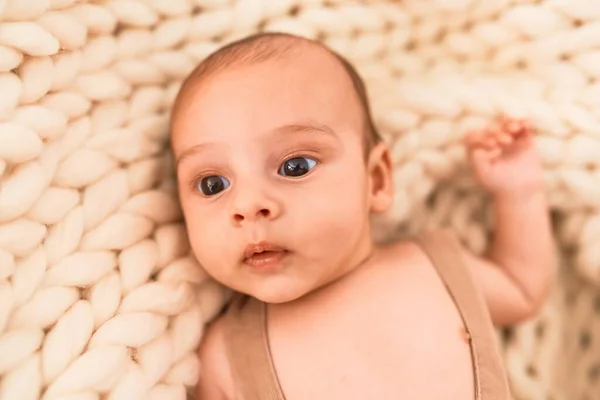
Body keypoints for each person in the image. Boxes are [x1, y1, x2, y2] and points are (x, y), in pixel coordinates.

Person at [169, 32, 556, 400]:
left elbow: (521, 290)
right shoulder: (224, 357)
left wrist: (519, 193)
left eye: (295, 166)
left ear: (376, 179)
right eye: (212, 185)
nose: (249, 205)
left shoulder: (433, 267)